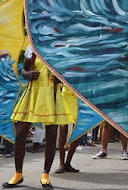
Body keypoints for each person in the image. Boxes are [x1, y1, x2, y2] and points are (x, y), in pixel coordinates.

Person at [2, 45, 74, 189]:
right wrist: (28, 74)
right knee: (20, 133)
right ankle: (18, 174)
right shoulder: (32, 47)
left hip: (52, 96)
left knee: (51, 136)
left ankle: (45, 175)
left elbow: (69, 73)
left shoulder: (60, 48)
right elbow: (24, 70)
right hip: (33, 94)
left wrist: (60, 78)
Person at [55, 86, 79, 173]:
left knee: (77, 132)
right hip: (64, 97)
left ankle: (68, 162)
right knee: (63, 131)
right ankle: (61, 163)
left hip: (79, 98)